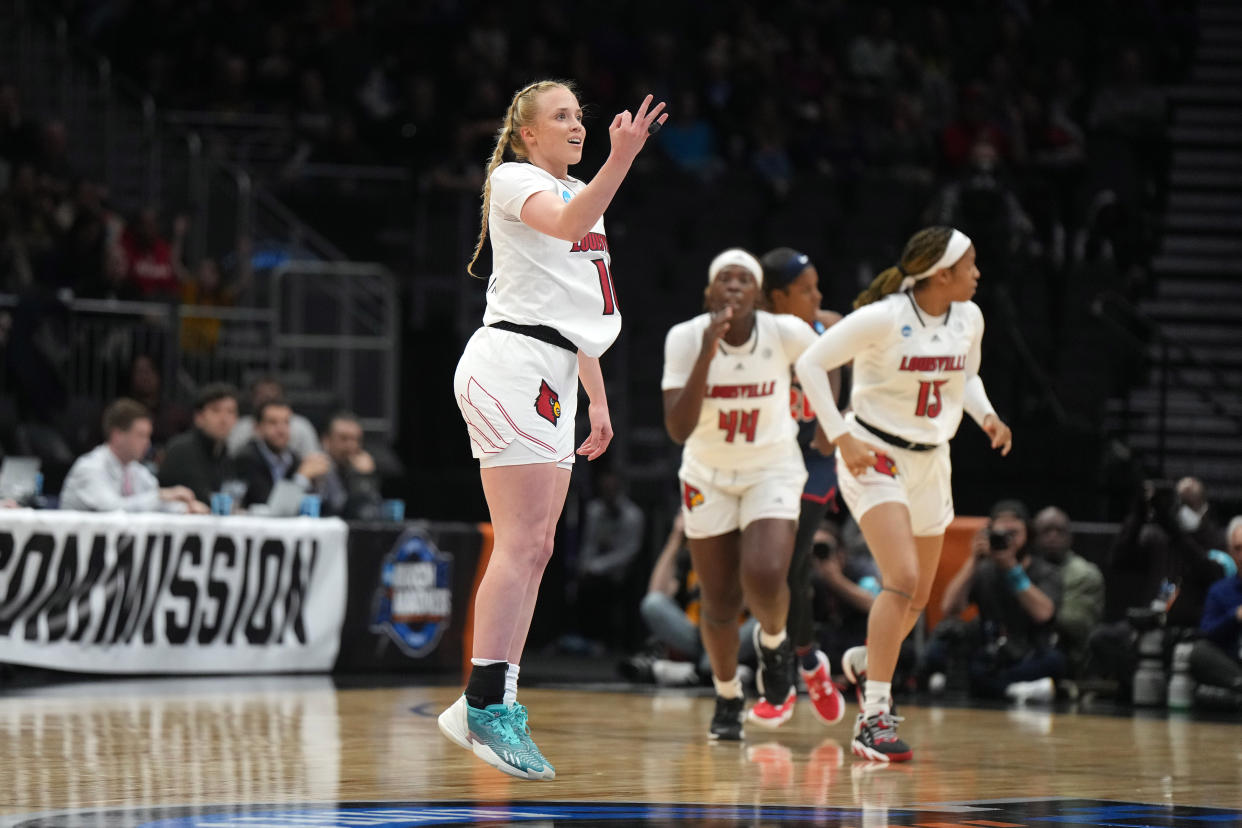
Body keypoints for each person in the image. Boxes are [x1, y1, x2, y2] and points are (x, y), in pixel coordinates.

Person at [436, 80, 666, 781]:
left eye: (580, 116)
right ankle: (484, 705)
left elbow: (575, 310)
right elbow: (567, 232)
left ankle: (486, 698)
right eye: (560, 116)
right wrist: (622, 159)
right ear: (527, 133)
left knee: (536, 549)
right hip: (510, 361)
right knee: (524, 542)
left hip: (555, 370)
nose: (577, 124)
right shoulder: (514, 178)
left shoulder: (579, 196)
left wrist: (596, 400)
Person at [794, 226, 1012, 762]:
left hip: (932, 459)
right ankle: (872, 718)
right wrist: (841, 437)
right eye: (971, 266)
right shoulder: (885, 317)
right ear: (941, 273)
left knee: (917, 597)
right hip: (874, 452)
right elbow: (811, 364)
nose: (978, 275)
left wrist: (986, 417)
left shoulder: (969, 318)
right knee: (904, 578)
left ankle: (870, 661)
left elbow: (968, 376)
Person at [662, 248, 822, 741]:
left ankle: (774, 645)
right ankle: (728, 693)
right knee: (719, 601)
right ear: (710, 292)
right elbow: (678, 428)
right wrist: (708, 352)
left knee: (767, 573)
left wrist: (828, 426)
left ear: (757, 295)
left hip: (770, 468)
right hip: (707, 474)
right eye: (724, 279)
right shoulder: (686, 337)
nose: (733, 285)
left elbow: (828, 355)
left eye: (744, 280)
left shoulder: (784, 333)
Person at [760, 246, 847, 727]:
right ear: (777, 297)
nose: (817, 296)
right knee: (774, 573)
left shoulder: (829, 325)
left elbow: (829, 406)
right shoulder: (757, 332)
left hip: (814, 459)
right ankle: (804, 658)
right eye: (806, 290)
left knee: (792, 566)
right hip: (770, 459)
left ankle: (802, 665)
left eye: (817, 286)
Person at [939, 500, 1065, 703]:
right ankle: (1013, 690)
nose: (1007, 540)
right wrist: (973, 561)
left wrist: (1011, 569)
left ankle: (994, 687)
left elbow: (1044, 614)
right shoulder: (984, 570)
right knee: (941, 649)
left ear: (1028, 534)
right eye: (1000, 534)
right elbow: (949, 608)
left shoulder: (1046, 571)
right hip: (991, 652)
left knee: (1055, 661)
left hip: (1029, 651)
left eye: (1013, 533)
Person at [60, 397, 207, 513]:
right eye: (141, 435)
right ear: (117, 435)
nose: (147, 443)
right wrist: (160, 495)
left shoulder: (136, 470)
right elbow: (112, 509)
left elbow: (154, 504)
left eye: (148, 436)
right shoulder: (90, 468)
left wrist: (185, 509)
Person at [1032, 505, 1104, 677]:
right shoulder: (1023, 567)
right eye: (1046, 531)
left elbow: (1077, 624)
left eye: (1060, 531)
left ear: (1070, 538)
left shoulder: (1085, 573)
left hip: (1068, 656)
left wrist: (1032, 607)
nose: (1053, 536)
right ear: (1034, 537)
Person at [233, 399, 331, 508]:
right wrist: (302, 477)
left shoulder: (294, 458)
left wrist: (318, 483)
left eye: (286, 422)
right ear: (258, 428)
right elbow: (270, 505)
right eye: (273, 422)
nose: (281, 429)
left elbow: (319, 506)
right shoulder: (246, 458)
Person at [158, 384, 240, 505]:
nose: (224, 419)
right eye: (216, 410)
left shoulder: (225, 454)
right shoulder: (181, 450)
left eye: (230, 412)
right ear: (199, 417)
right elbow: (200, 497)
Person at [228, 377, 319, 459]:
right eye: (262, 394)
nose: (268, 397)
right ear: (258, 427)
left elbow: (314, 462)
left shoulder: (301, 425)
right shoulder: (241, 427)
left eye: (286, 423)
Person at [315, 411, 382, 519]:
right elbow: (337, 508)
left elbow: (372, 512)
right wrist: (359, 478)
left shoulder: (361, 467)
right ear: (326, 440)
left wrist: (365, 478)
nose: (351, 445)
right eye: (344, 438)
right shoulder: (318, 466)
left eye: (356, 440)